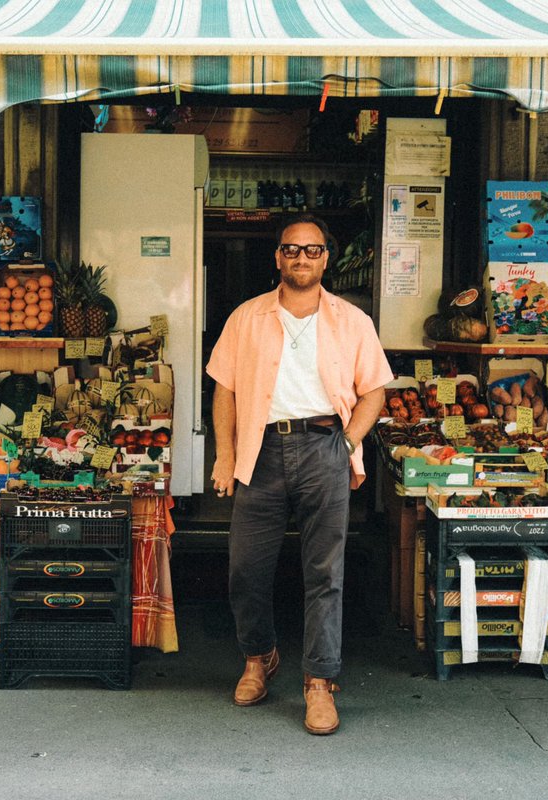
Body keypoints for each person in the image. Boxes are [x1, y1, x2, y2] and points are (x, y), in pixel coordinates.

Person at [205, 213, 393, 735]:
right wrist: (224, 455)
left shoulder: (351, 320)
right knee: (246, 567)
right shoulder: (246, 317)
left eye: (312, 250)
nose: (301, 258)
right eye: (292, 249)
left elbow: (374, 388)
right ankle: (258, 656)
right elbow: (225, 389)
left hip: (323, 447)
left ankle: (318, 682)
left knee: (325, 574)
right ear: (278, 257)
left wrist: (348, 442)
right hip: (260, 451)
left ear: (326, 259)